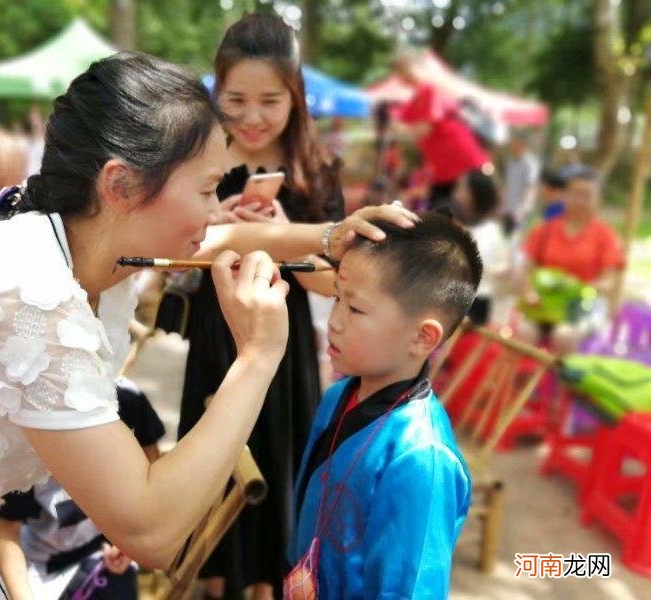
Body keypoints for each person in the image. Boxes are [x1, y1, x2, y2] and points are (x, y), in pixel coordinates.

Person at [0, 51, 415, 599]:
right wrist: (258, 357)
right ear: (120, 185)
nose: (216, 209)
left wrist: (326, 236)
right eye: (205, 190)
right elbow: (151, 534)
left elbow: (229, 235)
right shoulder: (28, 301)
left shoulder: (91, 243)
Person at [167, 14, 344, 600]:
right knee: (214, 466)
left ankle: (269, 584)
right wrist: (208, 220)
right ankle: (216, 583)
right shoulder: (194, 163)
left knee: (277, 468)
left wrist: (289, 233)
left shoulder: (318, 173)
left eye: (269, 99)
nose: (251, 115)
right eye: (235, 98)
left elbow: (333, 284)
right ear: (215, 93)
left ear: (294, 96)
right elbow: (165, 258)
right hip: (216, 337)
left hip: (282, 344)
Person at [287, 214, 477, 599]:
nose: (335, 322)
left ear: (423, 337)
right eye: (337, 299)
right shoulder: (338, 396)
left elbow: (409, 589)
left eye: (355, 310)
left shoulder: (422, 458)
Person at [0, 377, 164, 600]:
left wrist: (128, 538)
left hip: (108, 546)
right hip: (47, 566)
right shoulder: (23, 449)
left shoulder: (125, 399)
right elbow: (6, 535)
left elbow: (152, 460)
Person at [519, 166, 625, 351]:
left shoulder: (605, 236)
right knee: (523, 332)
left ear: (597, 199)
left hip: (581, 307)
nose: (580, 201)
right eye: (575, 194)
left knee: (564, 335)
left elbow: (609, 282)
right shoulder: (545, 230)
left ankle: (563, 380)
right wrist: (529, 292)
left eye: (587, 195)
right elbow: (526, 269)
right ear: (565, 195)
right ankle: (524, 378)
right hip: (543, 305)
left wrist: (577, 288)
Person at [391, 53, 490, 208]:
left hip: (465, 167)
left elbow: (423, 129)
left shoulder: (431, 90)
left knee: (459, 216)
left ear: (417, 67)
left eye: (404, 70)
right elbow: (399, 124)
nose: (404, 77)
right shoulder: (416, 99)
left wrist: (401, 128)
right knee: (439, 216)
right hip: (444, 173)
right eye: (400, 72)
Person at [453, 170, 511, 325]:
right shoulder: (460, 223)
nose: (456, 194)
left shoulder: (489, 232)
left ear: (474, 195)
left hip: (473, 302)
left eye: (462, 188)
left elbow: (498, 270)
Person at [503, 131, 539, 229]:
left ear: (523, 144)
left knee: (516, 241)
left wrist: (521, 210)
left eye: (514, 143)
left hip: (520, 211)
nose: (511, 145)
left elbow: (530, 187)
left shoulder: (530, 163)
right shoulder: (510, 162)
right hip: (507, 209)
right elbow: (507, 185)